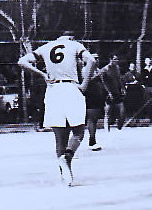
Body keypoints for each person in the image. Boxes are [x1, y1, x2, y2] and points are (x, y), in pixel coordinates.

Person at [18, 31, 95, 186]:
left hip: (53, 91)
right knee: (79, 132)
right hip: (71, 87)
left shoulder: (46, 47)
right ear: (72, 38)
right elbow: (91, 61)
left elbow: (22, 61)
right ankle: (67, 157)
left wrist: (42, 74)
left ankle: (65, 177)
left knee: (60, 138)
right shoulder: (75, 45)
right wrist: (85, 84)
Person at [82, 53, 108, 151]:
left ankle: (92, 137)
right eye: (94, 59)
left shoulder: (97, 70)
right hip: (90, 94)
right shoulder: (86, 70)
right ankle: (92, 139)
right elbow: (86, 82)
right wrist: (97, 76)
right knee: (92, 117)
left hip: (98, 95)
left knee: (95, 117)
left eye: (97, 59)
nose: (96, 61)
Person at [101, 54, 126, 132]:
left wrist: (122, 88)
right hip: (108, 92)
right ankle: (107, 130)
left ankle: (119, 127)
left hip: (117, 92)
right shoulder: (105, 69)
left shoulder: (117, 68)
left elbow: (119, 79)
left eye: (117, 59)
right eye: (115, 59)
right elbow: (103, 83)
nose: (117, 61)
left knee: (122, 111)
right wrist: (108, 92)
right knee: (108, 111)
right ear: (110, 59)